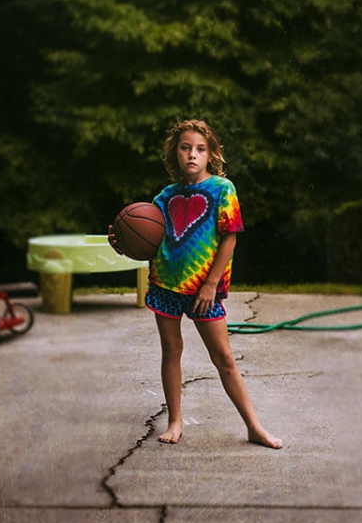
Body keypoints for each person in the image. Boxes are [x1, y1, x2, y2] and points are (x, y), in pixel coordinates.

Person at [109, 119, 282, 449]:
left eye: (200, 149)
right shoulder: (164, 197)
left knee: (225, 359)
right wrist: (123, 243)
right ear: (175, 153)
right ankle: (175, 419)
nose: (192, 154)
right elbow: (149, 239)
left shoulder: (222, 189)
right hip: (165, 286)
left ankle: (254, 427)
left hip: (204, 290)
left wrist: (210, 284)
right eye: (185, 147)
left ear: (211, 154)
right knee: (171, 351)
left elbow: (230, 237)